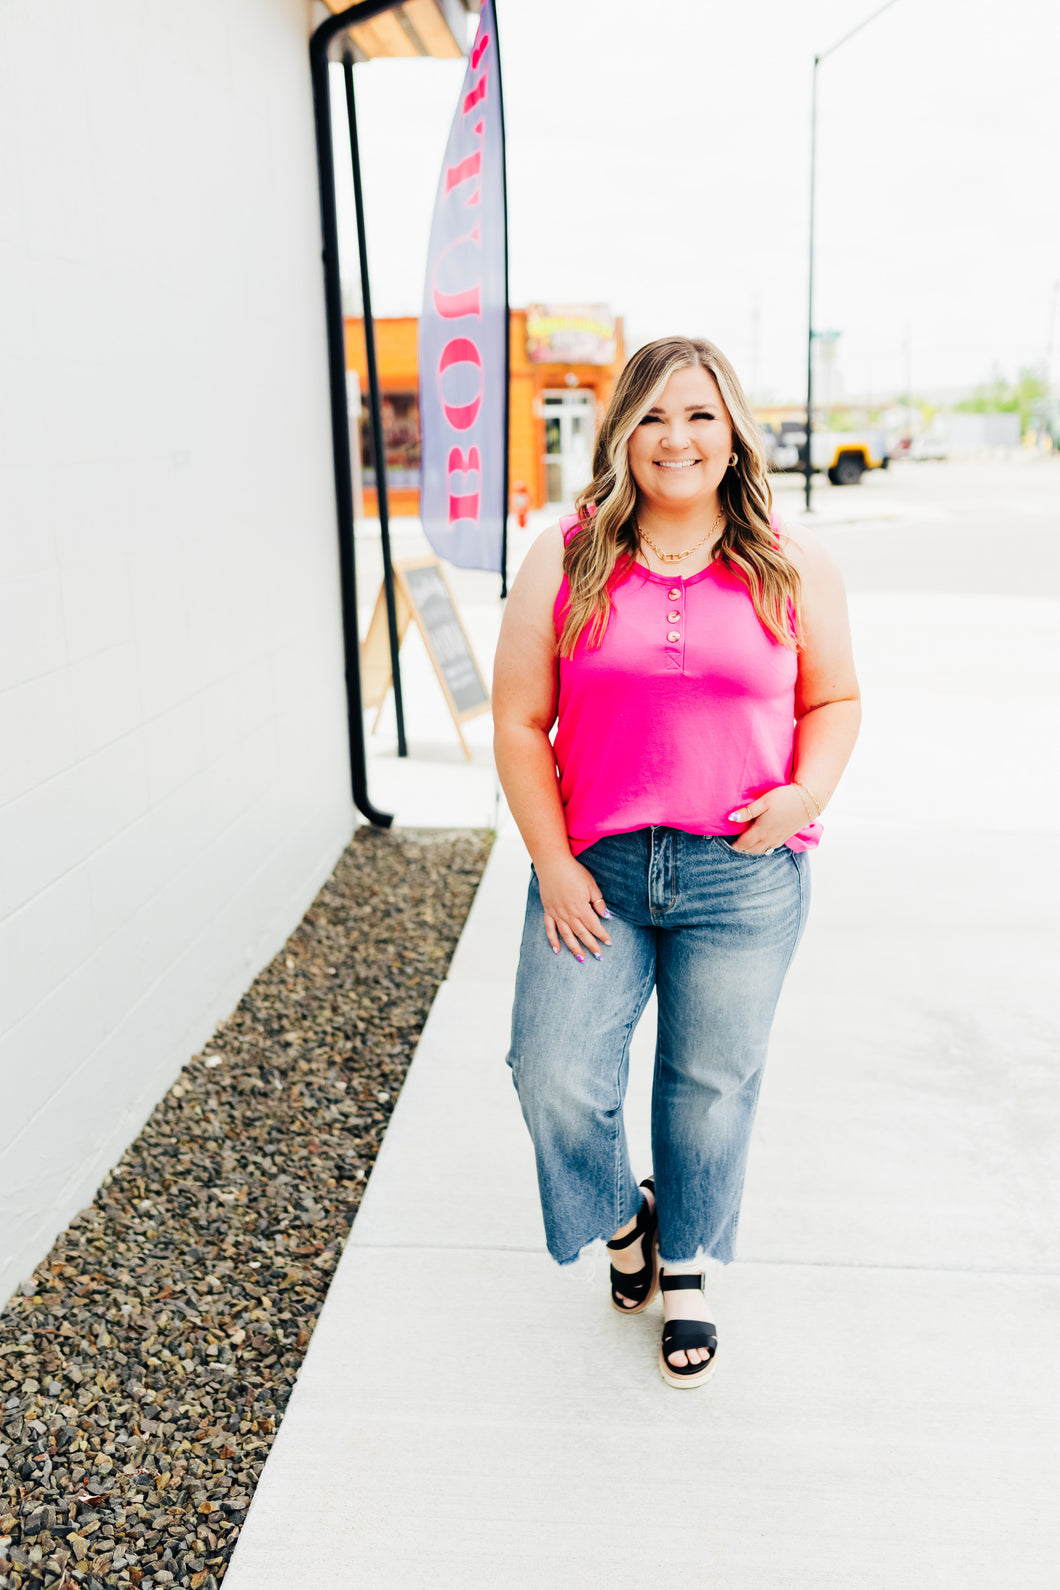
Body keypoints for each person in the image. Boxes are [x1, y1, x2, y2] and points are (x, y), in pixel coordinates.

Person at [492, 335, 861, 1388]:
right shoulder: (565, 556)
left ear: (731, 431)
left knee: (708, 1086)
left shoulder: (791, 561)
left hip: (742, 875)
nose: (676, 437)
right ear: (621, 435)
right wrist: (551, 861)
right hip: (596, 870)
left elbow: (834, 698)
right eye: (652, 415)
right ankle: (624, 1222)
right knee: (554, 1075)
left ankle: (687, 1263)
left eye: (698, 414)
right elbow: (521, 721)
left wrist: (807, 793)